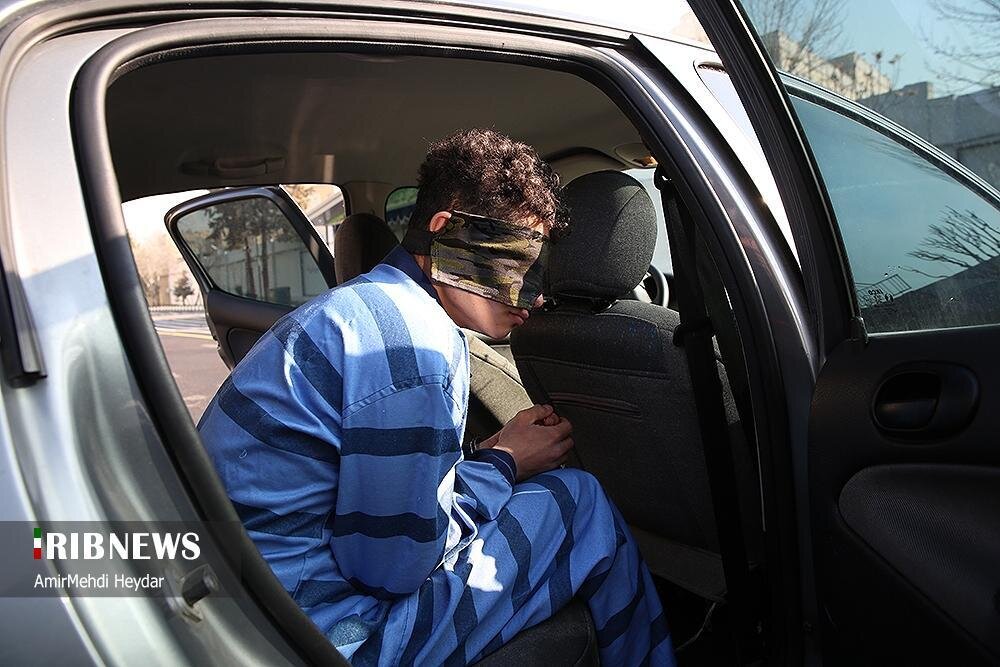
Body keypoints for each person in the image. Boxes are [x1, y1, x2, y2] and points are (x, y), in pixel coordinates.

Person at [198, 128, 675, 666]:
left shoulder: (360, 310)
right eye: (521, 260)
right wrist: (503, 464)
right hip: (321, 638)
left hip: (248, 610)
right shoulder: (411, 346)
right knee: (578, 500)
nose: (537, 294)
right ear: (444, 230)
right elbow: (389, 572)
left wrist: (487, 462)